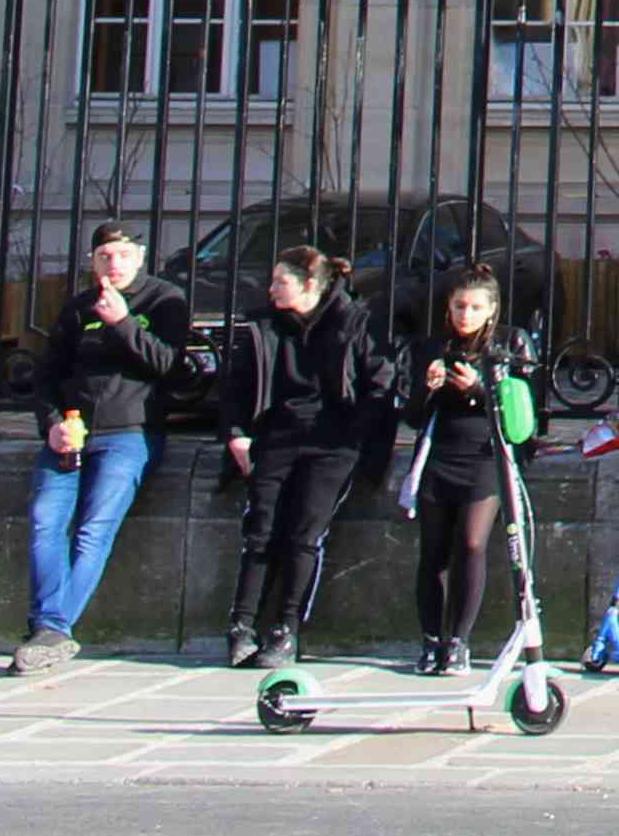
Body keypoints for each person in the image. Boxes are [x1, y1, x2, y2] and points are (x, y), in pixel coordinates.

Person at [13, 221, 189, 674]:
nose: (114, 264)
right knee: (46, 521)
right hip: (73, 432)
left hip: (129, 433)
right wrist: (52, 425)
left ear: (141, 257)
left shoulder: (164, 300)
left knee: (94, 528)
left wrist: (123, 322)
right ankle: (52, 629)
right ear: (92, 262)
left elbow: (169, 366)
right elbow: (49, 376)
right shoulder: (78, 308)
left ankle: (50, 628)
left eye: (124, 255)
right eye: (105, 257)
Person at [216, 244, 375, 672]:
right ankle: (241, 625)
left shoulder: (352, 321)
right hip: (277, 438)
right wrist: (237, 436)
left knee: (305, 534)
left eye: (280, 281)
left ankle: (285, 629)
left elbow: (377, 383)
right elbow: (235, 388)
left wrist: (357, 435)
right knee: (261, 531)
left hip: (331, 444)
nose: (270, 289)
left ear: (309, 286)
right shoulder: (263, 326)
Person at [401, 264, 539, 678]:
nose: (466, 315)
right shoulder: (433, 347)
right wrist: (427, 387)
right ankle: (431, 640)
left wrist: (479, 389)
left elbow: (524, 413)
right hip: (441, 454)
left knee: (471, 542)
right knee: (433, 551)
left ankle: (458, 640)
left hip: (485, 456)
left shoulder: (510, 343)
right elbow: (411, 416)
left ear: (492, 309)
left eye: (476, 307)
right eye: (460, 306)